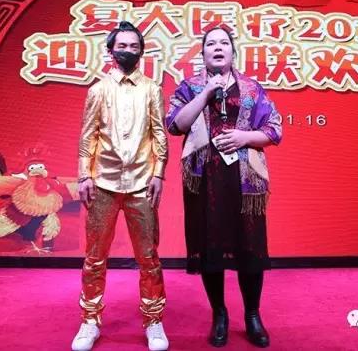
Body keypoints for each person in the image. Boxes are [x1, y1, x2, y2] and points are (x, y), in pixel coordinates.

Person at [165, 26, 282, 348]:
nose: (218, 48)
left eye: (224, 43)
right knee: (210, 247)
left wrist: (245, 137)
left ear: (232, 51)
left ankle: (253, 315)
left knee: (249, 247)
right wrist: (205, 94)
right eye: (211, 44)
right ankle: (219, 313)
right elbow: (175, 125)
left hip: (245, 181)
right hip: (204, 179)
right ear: (203, 53)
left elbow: (274, 128)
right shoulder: (190, 87)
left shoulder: (252, 89)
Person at [72, 21, 169, 351]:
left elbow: (159, 134)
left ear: (141, 51)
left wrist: (159, 174)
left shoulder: (152, 89)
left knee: (149, 258)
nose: (128, 50)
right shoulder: (98, 90)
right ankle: (89, 320)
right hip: (103, 183)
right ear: (111, 50)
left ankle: (153, 321)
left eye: (134, 46)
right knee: (94, 258)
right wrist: (84, 175)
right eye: (122, 45)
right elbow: (88, 136)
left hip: (142, 182)